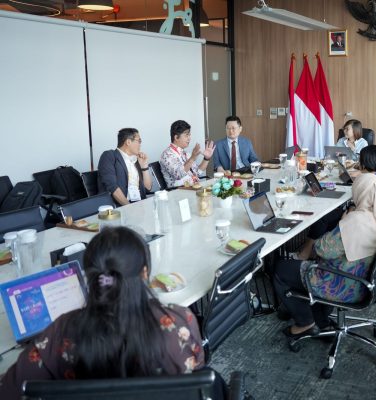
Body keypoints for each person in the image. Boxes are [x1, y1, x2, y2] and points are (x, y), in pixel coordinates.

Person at [0, 227, 205, 399]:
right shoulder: (179, 322)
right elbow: (199, 379)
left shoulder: (61, 331)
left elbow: (9, 390)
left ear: (90, 277)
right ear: (144, 273)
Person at [273, 173, 376, 337]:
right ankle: (321, 320)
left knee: (281, 268)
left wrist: (342, 223)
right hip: (366, 282)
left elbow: (321, 249)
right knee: (322, 262)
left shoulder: (357, 221)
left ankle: (305, 323)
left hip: (342, 285)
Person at [293, 145, 376, 261]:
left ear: (363, 164)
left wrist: (347, 218)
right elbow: (369, 204)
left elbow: (323, 249)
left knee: (325, 217)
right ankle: (308, 252)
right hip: (363, 217)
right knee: (328, 216)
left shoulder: (369, 182)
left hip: (361, 226)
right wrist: (352, 208)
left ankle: (307, 252)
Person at [97, 128, 152, 206]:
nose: (140, 144)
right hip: (120, 207)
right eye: (139, 141)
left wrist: (144, 167)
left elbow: (148, 188)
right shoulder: (109, 156)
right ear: (128, 142)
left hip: (140, 204)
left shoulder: (136, 160)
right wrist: (130, 207)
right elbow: (113, 188)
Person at [159, 120, 215, 188]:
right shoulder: (167, 155)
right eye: (186, 135)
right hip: (178, 191)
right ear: (176, 137)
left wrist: (206, 158)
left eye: (189, 135)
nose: (189, 138)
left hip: (193, 188)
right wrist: (192, 158)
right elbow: (178, 175)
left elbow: (197, 172)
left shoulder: (185, 153)